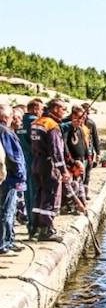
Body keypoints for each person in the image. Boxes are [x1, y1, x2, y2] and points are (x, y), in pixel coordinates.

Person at [30, 98, 68, 242]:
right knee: (51, 195)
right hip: (48, 164)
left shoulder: (36, 123)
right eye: (62, 109)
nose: (64, 112)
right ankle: (47, 229)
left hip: (36, 162)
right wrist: (63, 170)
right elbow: (56, 150)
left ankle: (35, 227)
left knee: (39, 194)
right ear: (55, 108)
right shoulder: (52, 125)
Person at [0, 104, 27, 254]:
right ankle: (4, 244)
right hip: (10, 178)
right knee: (7, 212)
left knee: (10, 211)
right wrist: (20, 173)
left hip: (8, 177)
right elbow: (12, 156)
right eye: (12, 117)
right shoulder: (5, 131)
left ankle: (9, 241)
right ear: (6, 117)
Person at [19, 99, 42, 239]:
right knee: (36, 195)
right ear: (34, 109)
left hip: (24, 162)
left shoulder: (21, 122)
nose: (41, 112)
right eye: (40, 109)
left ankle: (30, 226)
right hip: (34, 162)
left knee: (27, 196)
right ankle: (35, 226)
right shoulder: (34, 122)